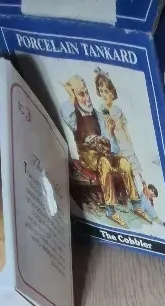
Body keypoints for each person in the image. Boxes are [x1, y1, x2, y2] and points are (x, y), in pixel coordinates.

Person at [60, 75, 141, 229]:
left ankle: (136, 203)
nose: (86, 97)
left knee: (124, 162)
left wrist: (108, 134)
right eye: (81, 94)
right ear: (75, 96)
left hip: (103, 151)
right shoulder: (73, 115)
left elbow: (108, 138)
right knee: (104, 164)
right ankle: (111, 209)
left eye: (86, 92)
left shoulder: (96, 113)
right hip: (88, 156)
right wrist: (71, 96)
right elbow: (66, 113)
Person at [94, 70, 144, 188]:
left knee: (133, 165)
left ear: (112, 93)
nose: (104, 95)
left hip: (124, 141)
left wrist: (129, 142)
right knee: (123, 169)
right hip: (114, 143)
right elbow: (106, 131)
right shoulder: (102, 109)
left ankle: (142, 186)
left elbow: (124, 128)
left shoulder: (117, 109)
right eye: (101, 91)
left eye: (106, 91)